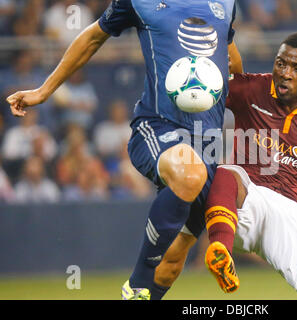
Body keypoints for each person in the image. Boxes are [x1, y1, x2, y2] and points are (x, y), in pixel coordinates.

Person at [6, 0, 240, 300]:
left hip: (206, 144)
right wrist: (43, 91)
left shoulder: (225, 4)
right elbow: (92, 36)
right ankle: (137, 284)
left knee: (171, 263)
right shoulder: (138, 2)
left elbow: (231, 59)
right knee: (189, 174)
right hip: (158, 127)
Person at [151, 32, 297, 300]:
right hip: (240, 203)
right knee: (226, 172)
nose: (285, 73)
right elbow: (210, 87)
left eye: (296, 68)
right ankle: (220, 250)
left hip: (289, 210)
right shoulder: (251, 89)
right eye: (281, 63)